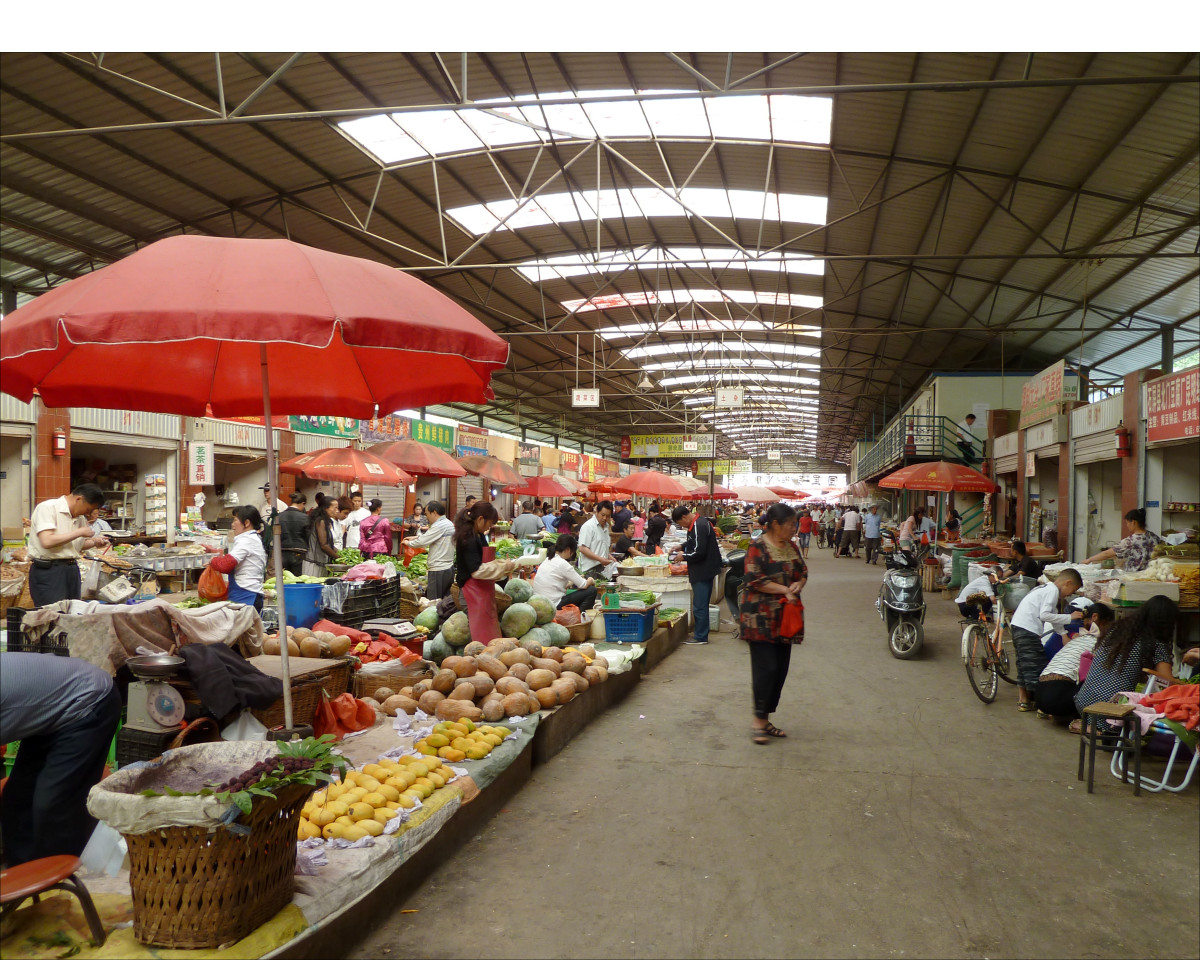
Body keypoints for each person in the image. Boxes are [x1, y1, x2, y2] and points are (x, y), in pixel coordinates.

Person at [0, 653, 122, 865]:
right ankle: (23, 881)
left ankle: (59, 884)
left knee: (53, 804)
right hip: (46, 711)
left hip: (88, 700)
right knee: (16, 799)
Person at [739, 502, 807, 745]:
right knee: (765, 668)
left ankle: (765, 718)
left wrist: (798, 585)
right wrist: (784, 589)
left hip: (785, 619)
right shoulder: (757, 546)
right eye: (790, 524)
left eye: (794, 524)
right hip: (759, 619)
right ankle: (758, 720)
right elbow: (754, 579)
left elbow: (802, 572)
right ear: (775, 524)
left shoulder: (791, 546)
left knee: (779, 670)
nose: (793, 528)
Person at [1071, 595, 1177, 730]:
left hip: (1083, 703)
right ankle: (1102, 730)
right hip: (1110, 711)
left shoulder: (1116, 630)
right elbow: (1168, 683)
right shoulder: (1156, 644)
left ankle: (1093, 727)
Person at [1009, 567, 1084, 712]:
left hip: (1018, 626)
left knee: (1023, 663)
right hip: (1027, 629)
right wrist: (1070, 617)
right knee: (1036, 665)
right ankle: (1042, 705)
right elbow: (1045, 615)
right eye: (1072, 590)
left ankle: (1023, 700)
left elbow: (1053, 616)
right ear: (1067, 583)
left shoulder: (1045, 589)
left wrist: (1063, 635)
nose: (1070, 595)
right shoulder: (1052, 591)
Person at [28, 483, 109, 606]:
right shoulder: (48, 508)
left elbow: (74, 545)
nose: (87, 514)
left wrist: (94, 542)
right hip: (49, 571)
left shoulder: (80, 518)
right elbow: (47, 541)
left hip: (71, 570)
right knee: (52, 615)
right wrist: (79, 532)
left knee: (72, 614)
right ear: (79, 499)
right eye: (87, 509)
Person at [1035, 603, 1115, 721]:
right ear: (1095, 617)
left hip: (1040, 695)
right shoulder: (1099, 643)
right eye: (1108, 625)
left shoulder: (1078, 639)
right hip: (1058, 698)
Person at [454, 501, 516, 643]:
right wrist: (502, 567)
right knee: (478, 639)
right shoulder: (467, 538)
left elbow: (485, 563)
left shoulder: (479, 535)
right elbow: (477, 571)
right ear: (480, 519)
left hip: (482, 591)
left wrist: (502, 565)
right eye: (490, 523)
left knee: (487, 636)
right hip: (471, 593)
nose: (491, 526)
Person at [671, 504, 721, 645]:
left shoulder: (699, 525)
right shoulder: (698, 523)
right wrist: (682, 546)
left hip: (703, 570)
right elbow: (695, 541)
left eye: (681, 523)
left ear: (685, 517)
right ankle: (700, 634)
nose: (683, 526)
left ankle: (700, 636)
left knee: (700, 605)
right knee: (701, 603)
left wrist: (684, 556)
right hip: (704, 569)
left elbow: (700, 551)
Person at [209, 505, 267, 611]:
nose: (232, 525)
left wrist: (213, 561)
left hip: (246, 594)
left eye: (235, 520)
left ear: (247, 523)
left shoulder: (247, 540)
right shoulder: (251, 538)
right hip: (248, 592)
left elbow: (225, 565)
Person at [1082, 507, 1163, 573]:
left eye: (1127, 523)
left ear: (1133, 522)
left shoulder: (1130, 541)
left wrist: (1089, 559)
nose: (1127, 526)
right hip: (1151, 575)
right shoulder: (1154, 537)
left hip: (1134, 577)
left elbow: (1107, 553)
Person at [531, 533, 597, 611]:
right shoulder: (562, 563)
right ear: (568, 550)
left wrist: (570, 583)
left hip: (539, 602)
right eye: (572, 552)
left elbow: (555, 581)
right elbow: (583, 585)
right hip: (554, 604)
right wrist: (591, 579)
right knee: (592, 590)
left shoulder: (548, 559)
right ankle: (580, 616)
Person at [404, 501, 455, 600]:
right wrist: (415, 537)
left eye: (427, 514)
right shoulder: (448, 523)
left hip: (438, 569)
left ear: (434, 512)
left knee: (433, 602)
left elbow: (422, 542)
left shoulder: (439, 525)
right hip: (448, 568)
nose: (426, 517)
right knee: (444, 601)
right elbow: (430, 536)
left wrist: (408, 543)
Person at [577, 500, 615, 579]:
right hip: (589, 570)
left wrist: (610, 557)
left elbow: (601, 547)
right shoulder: (588, 526)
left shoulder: (605, 527)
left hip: (601, 569)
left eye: (608, 516)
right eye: (603, 515)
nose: (605, 518)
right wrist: (600, 559)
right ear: (597, 512)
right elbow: (582, 548)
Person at [304, 495, 340, 576]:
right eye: (335, 508)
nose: (337, 511)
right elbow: (323, 545)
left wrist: (341, 554)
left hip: (321, 562)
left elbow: (329, 544)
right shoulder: (321, 521)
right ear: (325, 508)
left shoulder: (326, 521)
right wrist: (338, 558)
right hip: (314, 564)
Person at [276, 492, 310, 576]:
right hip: (299, 551)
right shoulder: (305, 517)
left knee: (285, 578)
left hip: (282, 551)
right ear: (303, 503)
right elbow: (308, 535)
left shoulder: (279, 517)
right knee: (297, 579)